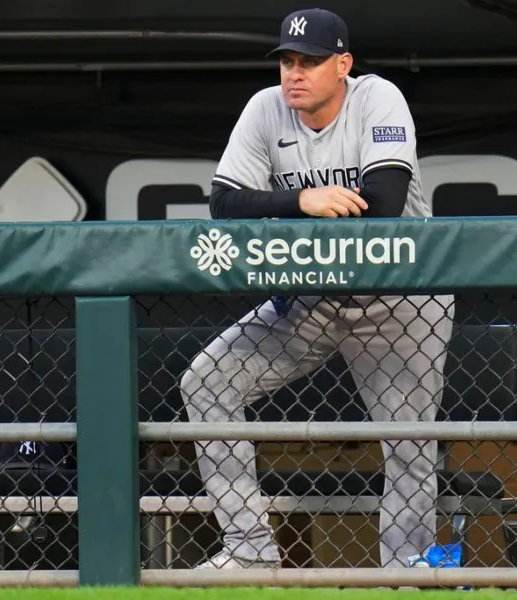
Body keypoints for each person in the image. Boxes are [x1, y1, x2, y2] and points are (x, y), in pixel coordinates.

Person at [179, 7, 455, 570]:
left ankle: (405, 571)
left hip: (401, 297)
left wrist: (289, 210)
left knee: (409, 441)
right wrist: (301, 200)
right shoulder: (264, 109)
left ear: (343, 64)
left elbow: (382, 205)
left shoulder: (378, 99)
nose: (294, 73)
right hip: (311, 295)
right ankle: (250, 551)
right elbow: (225, 201)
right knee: (206, 383)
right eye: (287, 60)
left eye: (310, 61)